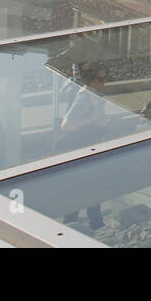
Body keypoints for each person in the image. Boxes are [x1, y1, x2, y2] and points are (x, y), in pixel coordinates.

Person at [58, 62, 109, 229]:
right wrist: (90, 121)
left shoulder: (95, 96)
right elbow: (66, 125)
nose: (104, 82)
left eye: (105, 78)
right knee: (79, 190)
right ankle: (72, 224)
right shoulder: (83, 97)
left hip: (92, 149)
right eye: (101, 79)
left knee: (93, 188)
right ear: (91, 81)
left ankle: (95, 223)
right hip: (81, 150)